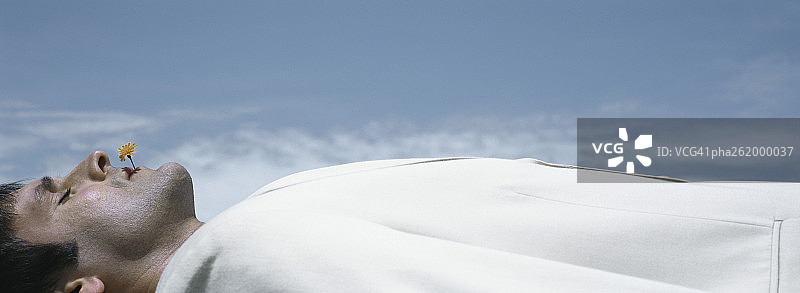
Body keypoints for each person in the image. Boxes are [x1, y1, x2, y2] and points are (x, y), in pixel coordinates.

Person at [1, 151, 798, 292]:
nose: (95, 161)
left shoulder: (264, 218)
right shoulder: (246, 262)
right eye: (60, 196)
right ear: (81, 287)